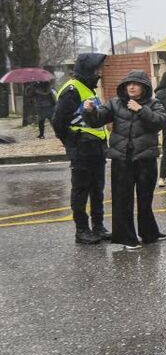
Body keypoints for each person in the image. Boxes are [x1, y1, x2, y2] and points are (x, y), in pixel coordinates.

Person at [83, 71, 166, 250]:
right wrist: (90, 111)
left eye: (136, 84)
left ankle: (149, 233)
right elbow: (97, 120)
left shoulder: (154, 103)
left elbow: (160, 122)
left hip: (145, 158)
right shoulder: (115, 103)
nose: (131, 87)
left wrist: (141, 110)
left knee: (145, 199)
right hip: (122, 158)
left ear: (144, 87)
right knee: (122, 200)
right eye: (128, 84)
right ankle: (127, 238)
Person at [52, 53, 111, 244]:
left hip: (96, 148)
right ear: (87, 69)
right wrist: (71, 142)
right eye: (96, 69)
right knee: (81, 190)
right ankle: (82, 230)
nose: (99, 73)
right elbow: (58, 121)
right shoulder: (72, 90)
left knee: (97, 190)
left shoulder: (88, 89)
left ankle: (98, 226)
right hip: (82, 149)